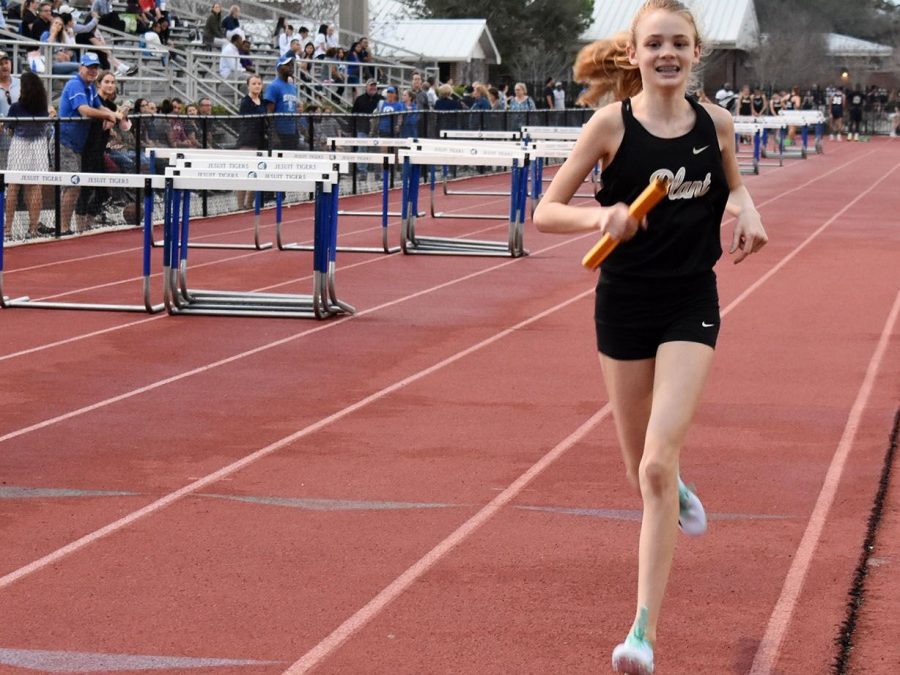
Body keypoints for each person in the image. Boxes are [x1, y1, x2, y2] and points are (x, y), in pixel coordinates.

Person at [532, 2, 767, 673]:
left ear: (697, 53)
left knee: (658, 463)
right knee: (641, 469)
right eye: (655, 44)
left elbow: (736, 185)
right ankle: (677, 490)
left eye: (679, 44)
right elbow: (546, 211)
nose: (667, 53)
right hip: (624, 307)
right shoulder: (610, 126)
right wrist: (599, 220)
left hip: (689, 303)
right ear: (634, 55)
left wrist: (748, 211)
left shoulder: (717, 124)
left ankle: (642, 632)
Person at [58, 52, 121, 234]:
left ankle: (70, 227)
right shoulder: (75, 84)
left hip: (79, 144)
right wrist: (109, 114)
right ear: (81, 68)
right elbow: (85, 110)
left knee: (78, 186)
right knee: (73, 185)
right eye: (89, 67)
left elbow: (98, 106)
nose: (92, 71)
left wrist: (113, 113)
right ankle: (63, 228)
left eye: (95, 68)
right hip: (65, 141)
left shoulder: (90, 87)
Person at [4, 71, 51, 240]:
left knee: (13, 187)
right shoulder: (43, 107)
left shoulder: (16, 107)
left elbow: (9, 127)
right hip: (38, 145)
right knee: (35, 186)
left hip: (20, 145)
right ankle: (32, 229)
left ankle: (7, 230)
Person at [236, 73, 266, 209]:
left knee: (256, 173)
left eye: (259, 83)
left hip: (259, 142)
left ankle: (249, 204)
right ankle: (240, 205)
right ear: (248, 86)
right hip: (247, 141)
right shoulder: (246, 102)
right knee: (245, 173)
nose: (257, 86)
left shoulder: (263, 102)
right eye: (254, 84)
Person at [264, 55, 299, 149]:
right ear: (279, 68)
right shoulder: (273, 86)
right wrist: (274, 134)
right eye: (287, 65)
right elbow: (269, 112)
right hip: (279, 132)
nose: (291, 67)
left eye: (291, 65)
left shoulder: (293, 87)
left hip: (292, 132)